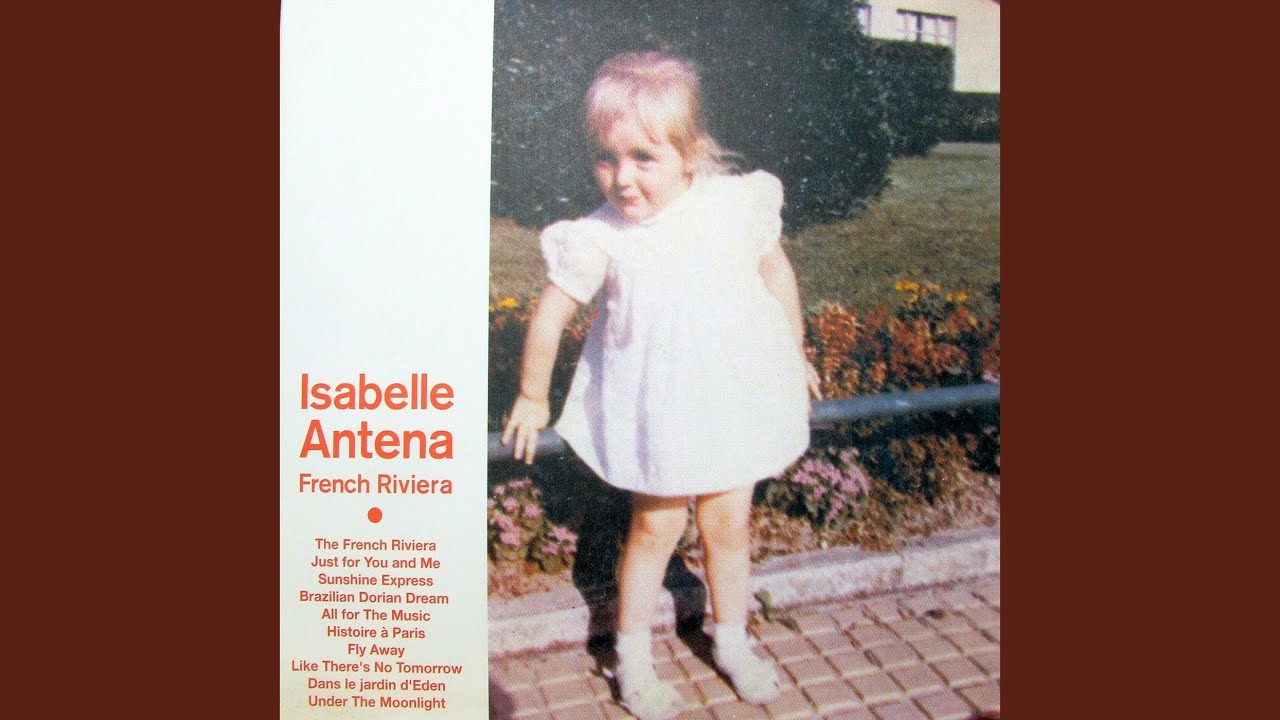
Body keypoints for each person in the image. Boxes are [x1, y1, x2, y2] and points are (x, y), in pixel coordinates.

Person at [501, 51, 822, 720]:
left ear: (690, 152)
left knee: (727, 522)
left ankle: (731, 640)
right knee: (657, 525)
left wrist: (794, 351)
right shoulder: (603, 236)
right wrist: (533, 394)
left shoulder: (734, 205)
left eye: (643, 158)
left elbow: (775, 270)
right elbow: (552, 312)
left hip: (730, 396)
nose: (622, 179)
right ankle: (633, 658)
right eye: (605, 158)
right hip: (660, 411)